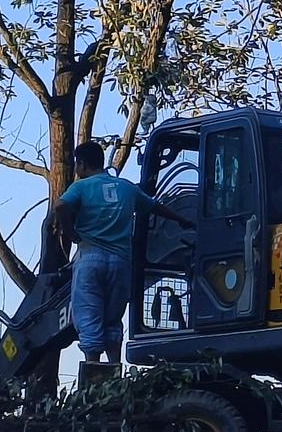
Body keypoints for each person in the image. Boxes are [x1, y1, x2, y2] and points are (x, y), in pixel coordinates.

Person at [54, 141, 193, 364]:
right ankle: (114, 373)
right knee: (112, 320)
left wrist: (71, 233)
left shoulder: (81, 187)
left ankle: (94, 370)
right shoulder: (127, 188)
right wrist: (184, 221)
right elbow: (155, 206)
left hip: (90, 259)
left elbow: (60, 206)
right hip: (120, 263)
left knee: (89, 317)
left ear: (81, 164)